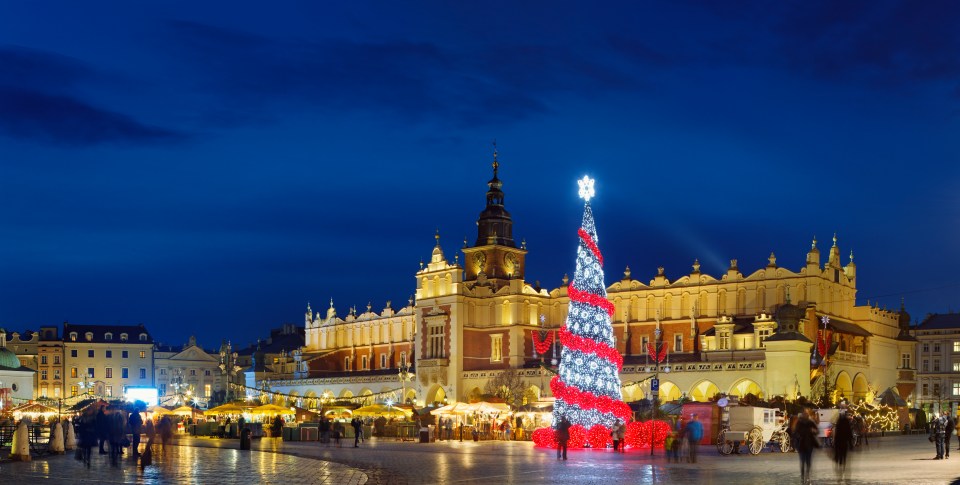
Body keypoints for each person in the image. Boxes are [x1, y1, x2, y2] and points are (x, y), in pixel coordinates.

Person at [793, 409, 820, 483]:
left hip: (806, 444)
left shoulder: (809, 422)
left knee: (806, 461)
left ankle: (805, 475)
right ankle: (804, 475)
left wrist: (814, 431)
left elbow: (817, 431)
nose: (806, 415)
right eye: (805, 414)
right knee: (805, 461)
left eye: (807, 414)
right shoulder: (801, 422)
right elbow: (795, 432)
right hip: (804, 444)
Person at [833, 408, 853, 478]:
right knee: (844, 454)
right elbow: (849, 433)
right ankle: (843, 465)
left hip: (839, 441)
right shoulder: (846, 423)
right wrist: (850, 444)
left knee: (840, 454)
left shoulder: (838, 424)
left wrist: (834, 443)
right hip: (844, 441)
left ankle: (840, 463)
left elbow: (836, 434)